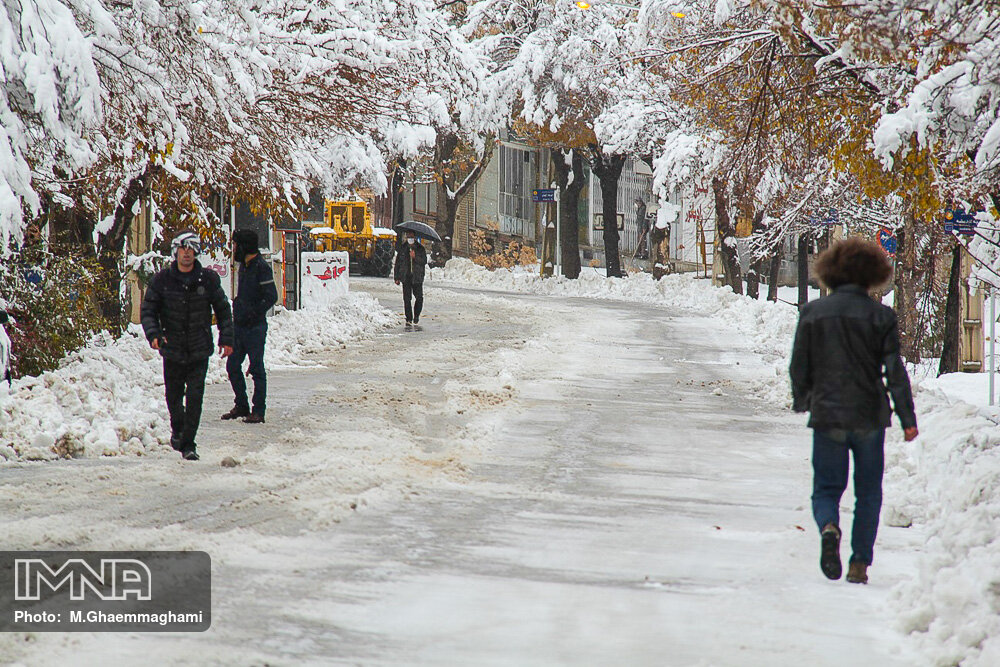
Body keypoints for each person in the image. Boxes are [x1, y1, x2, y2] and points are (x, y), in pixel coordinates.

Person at [789, 237, 918, 585]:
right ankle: (860, 562)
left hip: (828, 413)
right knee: (869, 493)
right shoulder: (881, 317)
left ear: (829, 272)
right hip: (869, 417)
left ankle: (829, 526)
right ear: (873, 274)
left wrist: (803, 400)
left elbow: (799, 365)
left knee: (826, 489)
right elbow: (894, 371)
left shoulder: (813, 314)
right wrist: (907, 418)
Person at [141, 230, 233, 461]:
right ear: (175, 252)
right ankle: (178, 430)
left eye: (191, 249)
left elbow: (223, 310)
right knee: (173, 397)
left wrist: (227, 338)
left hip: (198, 349)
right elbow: (149, 311)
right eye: (183, 249)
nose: (186, 254)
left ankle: (189, 443)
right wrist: (153, 334)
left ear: (196, 252)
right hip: (171, 349)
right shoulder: (162, 281)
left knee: (194, 397)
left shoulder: (208, 280)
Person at [222, 229, 278, 424]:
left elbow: (272, 296)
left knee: (256, 368)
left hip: (255, 328)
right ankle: (242, 405)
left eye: (236, 244)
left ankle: (258, 410)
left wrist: (254, 312)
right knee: (232, 365)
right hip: (240, 327)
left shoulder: (261, 267)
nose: (234, 248)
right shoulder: (243, 266)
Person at [393, 230, 427, 325]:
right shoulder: (403, 248)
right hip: (406, 276)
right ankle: (409, 318)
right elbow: (398, 263)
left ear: (415, 237)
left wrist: (415, 257)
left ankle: (416, 315)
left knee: (419, 298)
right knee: (407, 299)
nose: (409, 238)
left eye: (411, 236)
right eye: (408, 236)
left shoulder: (420, 249)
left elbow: (424, 261)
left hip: (417, 277)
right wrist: (397, 277)